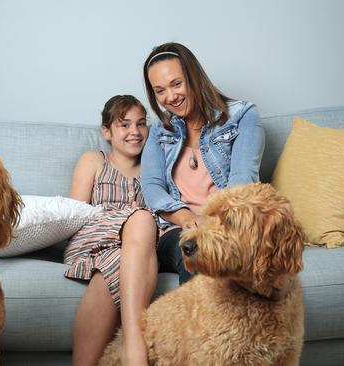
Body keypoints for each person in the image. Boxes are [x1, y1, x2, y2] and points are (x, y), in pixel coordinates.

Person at [141, 42, 265, 284]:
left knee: (215, 251)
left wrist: (212, 223)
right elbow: (152, 186)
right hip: (176, 230)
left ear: (194, 77)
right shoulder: (159, 130)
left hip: (227, 225)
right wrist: (188, 218)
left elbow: (243, 180)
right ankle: (201, 320)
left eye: (176, 84)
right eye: (160, 90)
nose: (171, 97)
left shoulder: (243, 115)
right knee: (197, 251)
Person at [64, 95, 158, 366]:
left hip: (133, 250)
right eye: (124, 125)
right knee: (141, 219)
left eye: (141, 124)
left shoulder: (153, 168)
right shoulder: (94, 160)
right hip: (93, 236)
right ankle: (135, 348)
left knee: (117, 261)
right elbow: (76, 213)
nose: (135, 132)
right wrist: (131, 216)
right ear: (107, 131)